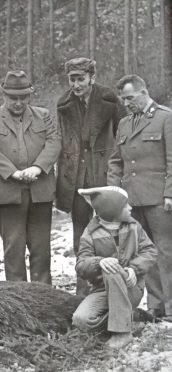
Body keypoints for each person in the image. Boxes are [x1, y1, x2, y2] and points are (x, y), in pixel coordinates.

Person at [0, 70, 61, 284]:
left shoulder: (43, 115)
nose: (18, 103)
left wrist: (38, 168)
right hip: (8, 192)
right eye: (13, 98)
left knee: (41, 248)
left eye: (22, 98)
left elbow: (54, 143)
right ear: (4, 95)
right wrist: (12, 172)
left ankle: (43, 297)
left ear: (30, 96)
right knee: (13, 249)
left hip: (40, 190)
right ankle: (18, 298)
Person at [55, 58, 127, 296]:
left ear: (92, 78)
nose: (76, 85)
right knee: (80, 234)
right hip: (75, 178)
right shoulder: (64, 104)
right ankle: (83, 289)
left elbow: (123, 136)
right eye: (72, 79)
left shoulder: (110, 101)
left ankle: (109, 287)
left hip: (104, 176)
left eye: (81, 79)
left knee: (107, 232)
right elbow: (62, 140)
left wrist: (119, 174)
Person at [108, 74, 172, 321]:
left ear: (144, 93)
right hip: (132, 201)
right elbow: (116, 161)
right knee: (146, 253)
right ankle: (156, 306)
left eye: (130, 98)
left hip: (159, 199)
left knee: (166, 251)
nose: (126, 103)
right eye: (123, 99)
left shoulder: (165, 118)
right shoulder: (125, 123)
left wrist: (169, 193)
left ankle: (170, 307)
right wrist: (115, 194)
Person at [73, 186, 157, 349]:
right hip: (102, 290)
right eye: (125, 205)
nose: (130, 208)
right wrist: (99, 262)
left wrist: (134, 268)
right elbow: (81, 266)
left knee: (112, 269)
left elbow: (150, 251)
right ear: (113, 210)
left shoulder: (134, 226)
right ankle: (128, 319)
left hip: (131, 287)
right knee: (81, 320)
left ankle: (122, 333)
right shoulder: (90, 234)